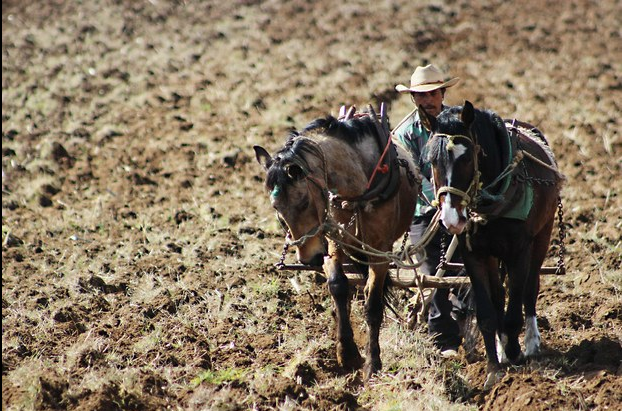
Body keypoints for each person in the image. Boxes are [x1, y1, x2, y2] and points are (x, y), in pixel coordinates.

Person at [393, 64, 468, 357]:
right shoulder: (405, 134)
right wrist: (437, 203)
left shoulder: (461, 125)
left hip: (460, 205)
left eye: (432, 94)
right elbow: (414, 176)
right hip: (423, 212)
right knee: (430, 272)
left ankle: (465, 316)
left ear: (442, 93)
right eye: (420, 96)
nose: (427, 101)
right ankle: (442, 338)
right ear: (413, 99)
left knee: (466, 263)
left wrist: (455, 203)